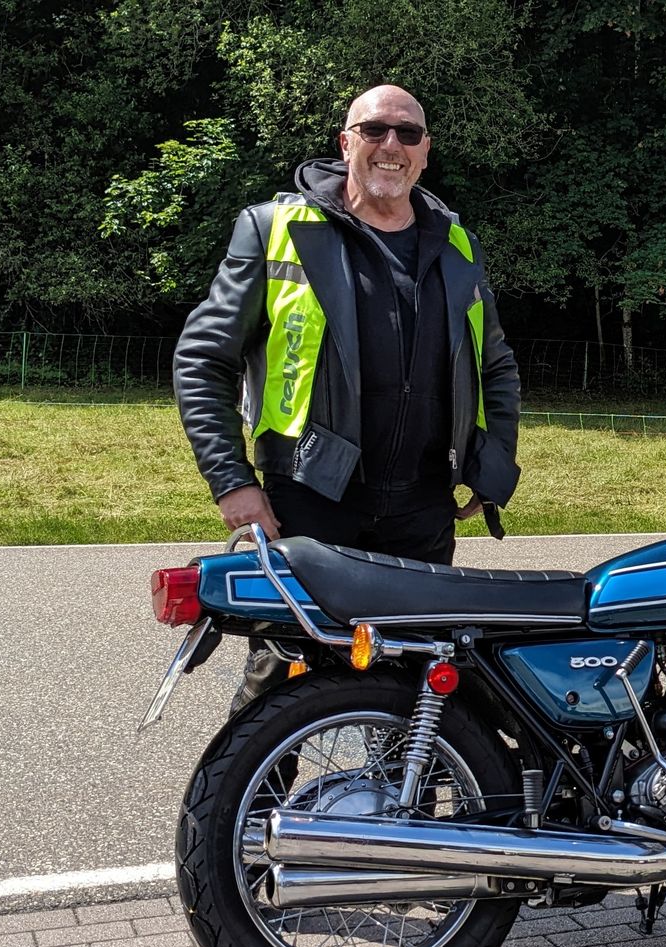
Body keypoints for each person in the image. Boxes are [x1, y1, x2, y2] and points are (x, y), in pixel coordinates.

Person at [174, 83, 521, 707]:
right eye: (374, 130)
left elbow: (496, 365)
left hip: (423, 507)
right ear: (345, 143)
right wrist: (232, 481)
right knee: (284, 679)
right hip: (312, 498)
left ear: (425, 152)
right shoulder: (277, 228)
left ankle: (408, 777)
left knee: (423, 683)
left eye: (407, 134)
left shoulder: (456, 244)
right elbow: (203, 357)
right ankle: (256, 777)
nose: (391, 145)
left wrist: (491, 468)